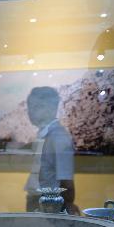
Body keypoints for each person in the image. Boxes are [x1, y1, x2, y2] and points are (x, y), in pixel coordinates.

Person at [23, 86, 79, 214]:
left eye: (37, 107)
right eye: (30, 107)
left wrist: (68, 204)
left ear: (51, 109)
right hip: (38, 200)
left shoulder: (58, 137)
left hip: (49, 203)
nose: (30, 112)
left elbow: (66, 180)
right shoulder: (44, 134)